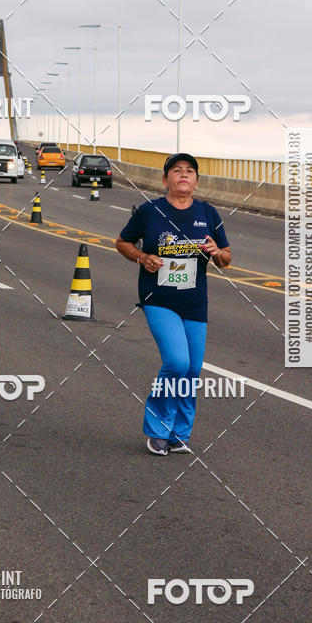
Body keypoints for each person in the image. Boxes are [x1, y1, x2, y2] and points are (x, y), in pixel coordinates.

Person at [116, 153, 231, 455]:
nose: (183, 175)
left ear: (196, 181)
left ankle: (179, 432)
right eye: (177, 171)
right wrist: (142, 257)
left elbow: (227, 259)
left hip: (195, 303)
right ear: (165, 179)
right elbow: (122, 242)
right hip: (159, 299)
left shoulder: (208, 213)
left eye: (190, 172)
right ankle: (157, 429)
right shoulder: (150, 211)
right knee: (177, 363)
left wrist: (217, 252)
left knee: (192, 370)